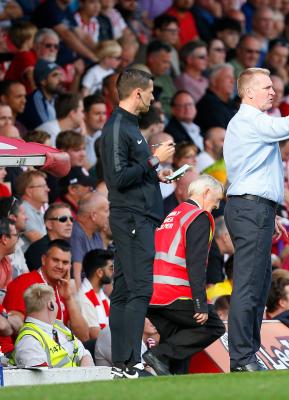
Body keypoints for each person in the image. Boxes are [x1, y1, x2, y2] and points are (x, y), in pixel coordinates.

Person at [223, 59, 289, 372]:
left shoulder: (250, 122)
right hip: (250, 207)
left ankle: (248, 355)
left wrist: (272, 216)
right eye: (267, 87)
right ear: (250, 93)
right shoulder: (249, 120)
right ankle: (241, 358)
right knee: (248, 285)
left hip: (257, 208)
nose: (273, 92)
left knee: (258, 285)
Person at [100, 68, 175, 379]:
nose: (154, 97)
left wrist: (152, 173)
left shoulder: (128, 127)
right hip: (132, 217)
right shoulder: (118, 127)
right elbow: (116, 178)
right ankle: (129, 364)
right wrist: (153, 160)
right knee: (139, 289)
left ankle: (122, 363)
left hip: (136, 215)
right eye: (151, 91)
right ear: (138, 93)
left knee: (123, 292)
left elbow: (130, 172)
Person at [145, 175, 225, 375]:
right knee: (214, 326)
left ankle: (174, 381)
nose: (214, 209)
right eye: (215, 203)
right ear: (206, 192)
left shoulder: (175, 213)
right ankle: (159, 354)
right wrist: (200, 302)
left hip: (153, 294)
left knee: (181, 342)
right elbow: (195, 262)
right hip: (174, 292)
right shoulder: (198, 216)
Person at [11, 283, 94, 368]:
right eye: (55, 301)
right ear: (51, 305)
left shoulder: (60, 326)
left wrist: (84, 373)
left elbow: (85, 354)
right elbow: (40, 379)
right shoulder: (29, 339)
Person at [25, 204, 73, 271]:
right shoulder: (39, 249)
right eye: (63, 219)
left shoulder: (69, 247)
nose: (69, 223)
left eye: (71, 219)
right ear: (49, 224)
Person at [78, 249, 113, 340]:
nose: (113, 272)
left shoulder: (103, 297)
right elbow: (95, 335)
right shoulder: (83, 297)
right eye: (110, 268)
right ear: (99, 272)